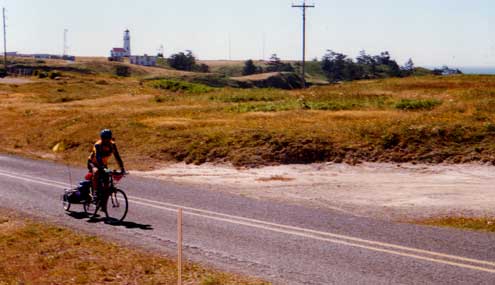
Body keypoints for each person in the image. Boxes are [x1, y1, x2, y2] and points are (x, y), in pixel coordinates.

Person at [87, 129, 125, 196]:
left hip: (103, 164)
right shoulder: (98, 145)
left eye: (107, 138)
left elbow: (117, 157)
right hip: (93, 163)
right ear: (101, 138)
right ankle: (95, 191)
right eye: (104, 138)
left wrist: (122, 168)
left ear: (110, 138)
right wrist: (102, 167)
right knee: (96, 172)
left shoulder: (112, 145)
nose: (106, 140)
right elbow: (98, 157)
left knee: (107, 179)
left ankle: (104, 199)